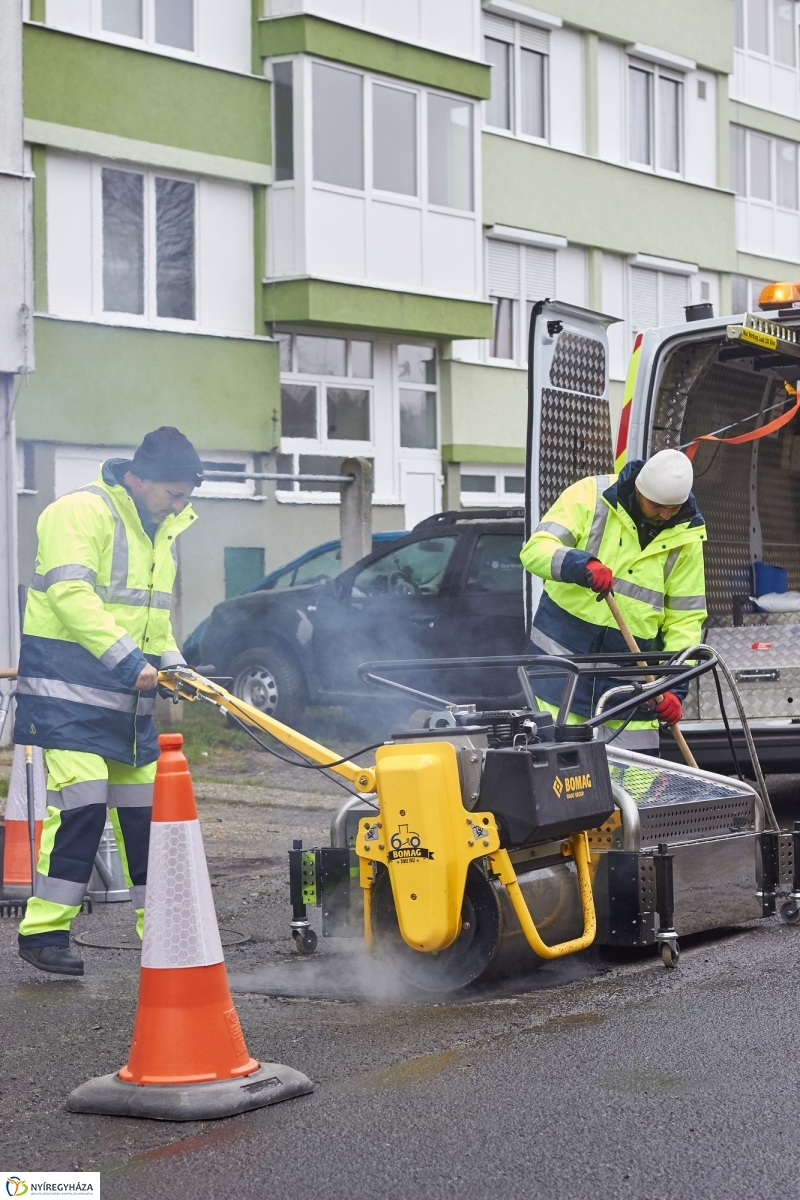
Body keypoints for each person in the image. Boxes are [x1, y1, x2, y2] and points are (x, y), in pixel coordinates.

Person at [15, 427, 202, 975]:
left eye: (187, 494)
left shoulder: (161, 529)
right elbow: (71, 595)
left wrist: (175, 665)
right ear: (138, 478)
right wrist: (130, 661)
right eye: (173, 492)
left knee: (151, 819)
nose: (181, 503)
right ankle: (44, 933)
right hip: (68, 692)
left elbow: (153, 616)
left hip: (128, 697)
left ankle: (162, 935)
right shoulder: (78, 512)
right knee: (82, 805)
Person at [520, 448, 707, 752]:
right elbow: (535, 551)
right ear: (639, 489)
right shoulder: (590, 496)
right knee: (563, 786)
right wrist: (580, 565)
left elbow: (685, 621)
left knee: (635, 792)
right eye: (657, 505)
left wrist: (675, 687)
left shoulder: (687, 536)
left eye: (674, 508)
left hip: (631, 694)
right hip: (562, 682)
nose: (665, 515)